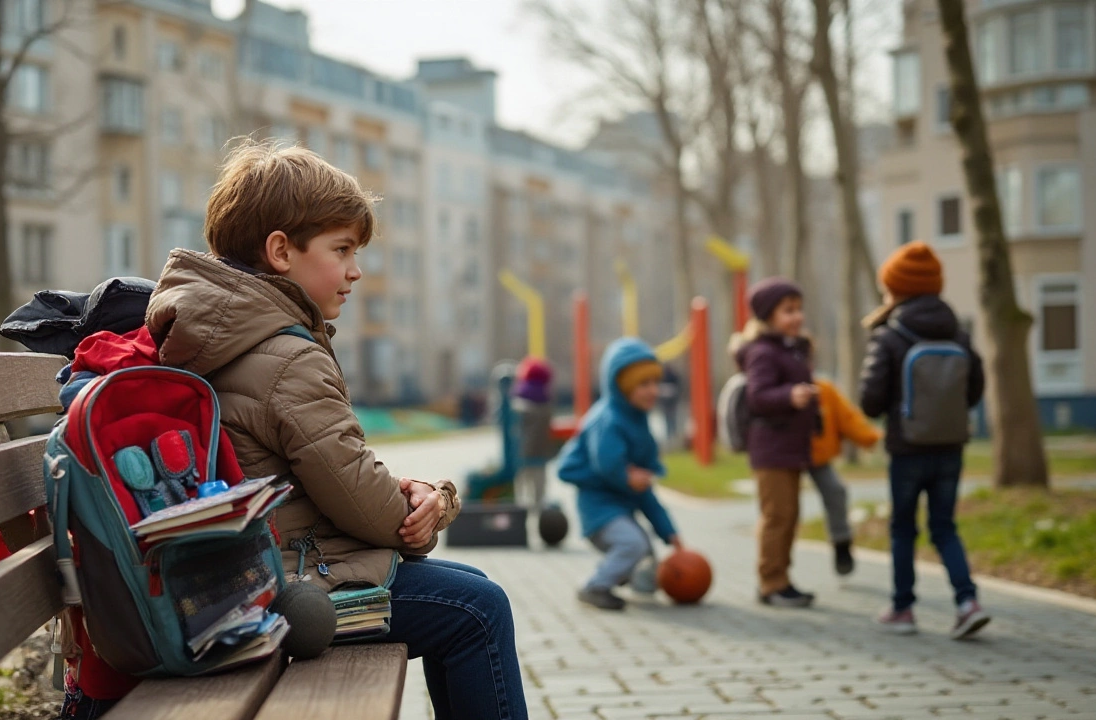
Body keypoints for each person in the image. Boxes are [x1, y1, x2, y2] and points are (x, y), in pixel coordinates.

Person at [66, 140, 528, 720]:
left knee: (467, 585)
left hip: (230, 578)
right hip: (280, 588)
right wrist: (426, 507)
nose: (356, 271)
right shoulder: (286, 354)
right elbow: (366, 505)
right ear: (281, 251)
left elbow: (332, 475)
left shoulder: (210, 329)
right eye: (342, 249)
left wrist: (404, 499)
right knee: (479, 608)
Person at [859, 241, 988, 639]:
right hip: (951, 447)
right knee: (944, 527)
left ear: (897, 289)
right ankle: (967, 602)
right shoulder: (959, 332)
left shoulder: (891, 335)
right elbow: (976, 388)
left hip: (907, 449)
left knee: (903, 528)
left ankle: (903, 609)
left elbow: (870, 400)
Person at [558, 337, 682, 611]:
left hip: (620, 511)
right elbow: (604, 465)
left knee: (646, 551)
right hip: (599, 512)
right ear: (623, 387)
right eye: (643, 384)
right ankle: (594, 587)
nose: (653, 390)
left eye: (655, 383)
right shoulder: (608, 420)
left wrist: (669, 532)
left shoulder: (639, 423)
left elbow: (645, 491)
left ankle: (636, 582)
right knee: (633, 545)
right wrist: (626, 477)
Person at [734, 277, 818, 608]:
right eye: (788, 310)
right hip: (771, 447)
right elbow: (758, 396)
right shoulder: (763, 352)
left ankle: (783, 578)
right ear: (768, 316)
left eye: (799, 309)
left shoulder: (790, 349)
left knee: (789, 515)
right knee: (776, 516)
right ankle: (771, 582)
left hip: (791, 447)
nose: (797, 316)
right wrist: (790, 395)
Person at [810, 374, 882, 575]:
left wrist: (870, 437)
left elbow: (847, 418)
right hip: (785, 457)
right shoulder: (780, 388)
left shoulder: (824, 390)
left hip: (818, 455)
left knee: (836, 491)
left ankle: (841, 542)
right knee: (785, 510)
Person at [512, 356, 555, 508]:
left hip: (519, 454)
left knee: (518, 496)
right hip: (539, 453)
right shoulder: (546, 402)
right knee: (539, 496)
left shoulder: (517, 400)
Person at [658, 361, 684, 451]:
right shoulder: (663, 376)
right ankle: (669, 435)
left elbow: (678, 386)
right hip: (666, 402)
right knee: (667, 419)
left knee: (672, 418)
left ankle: (673, 435)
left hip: (671, 402)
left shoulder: (672, 376)